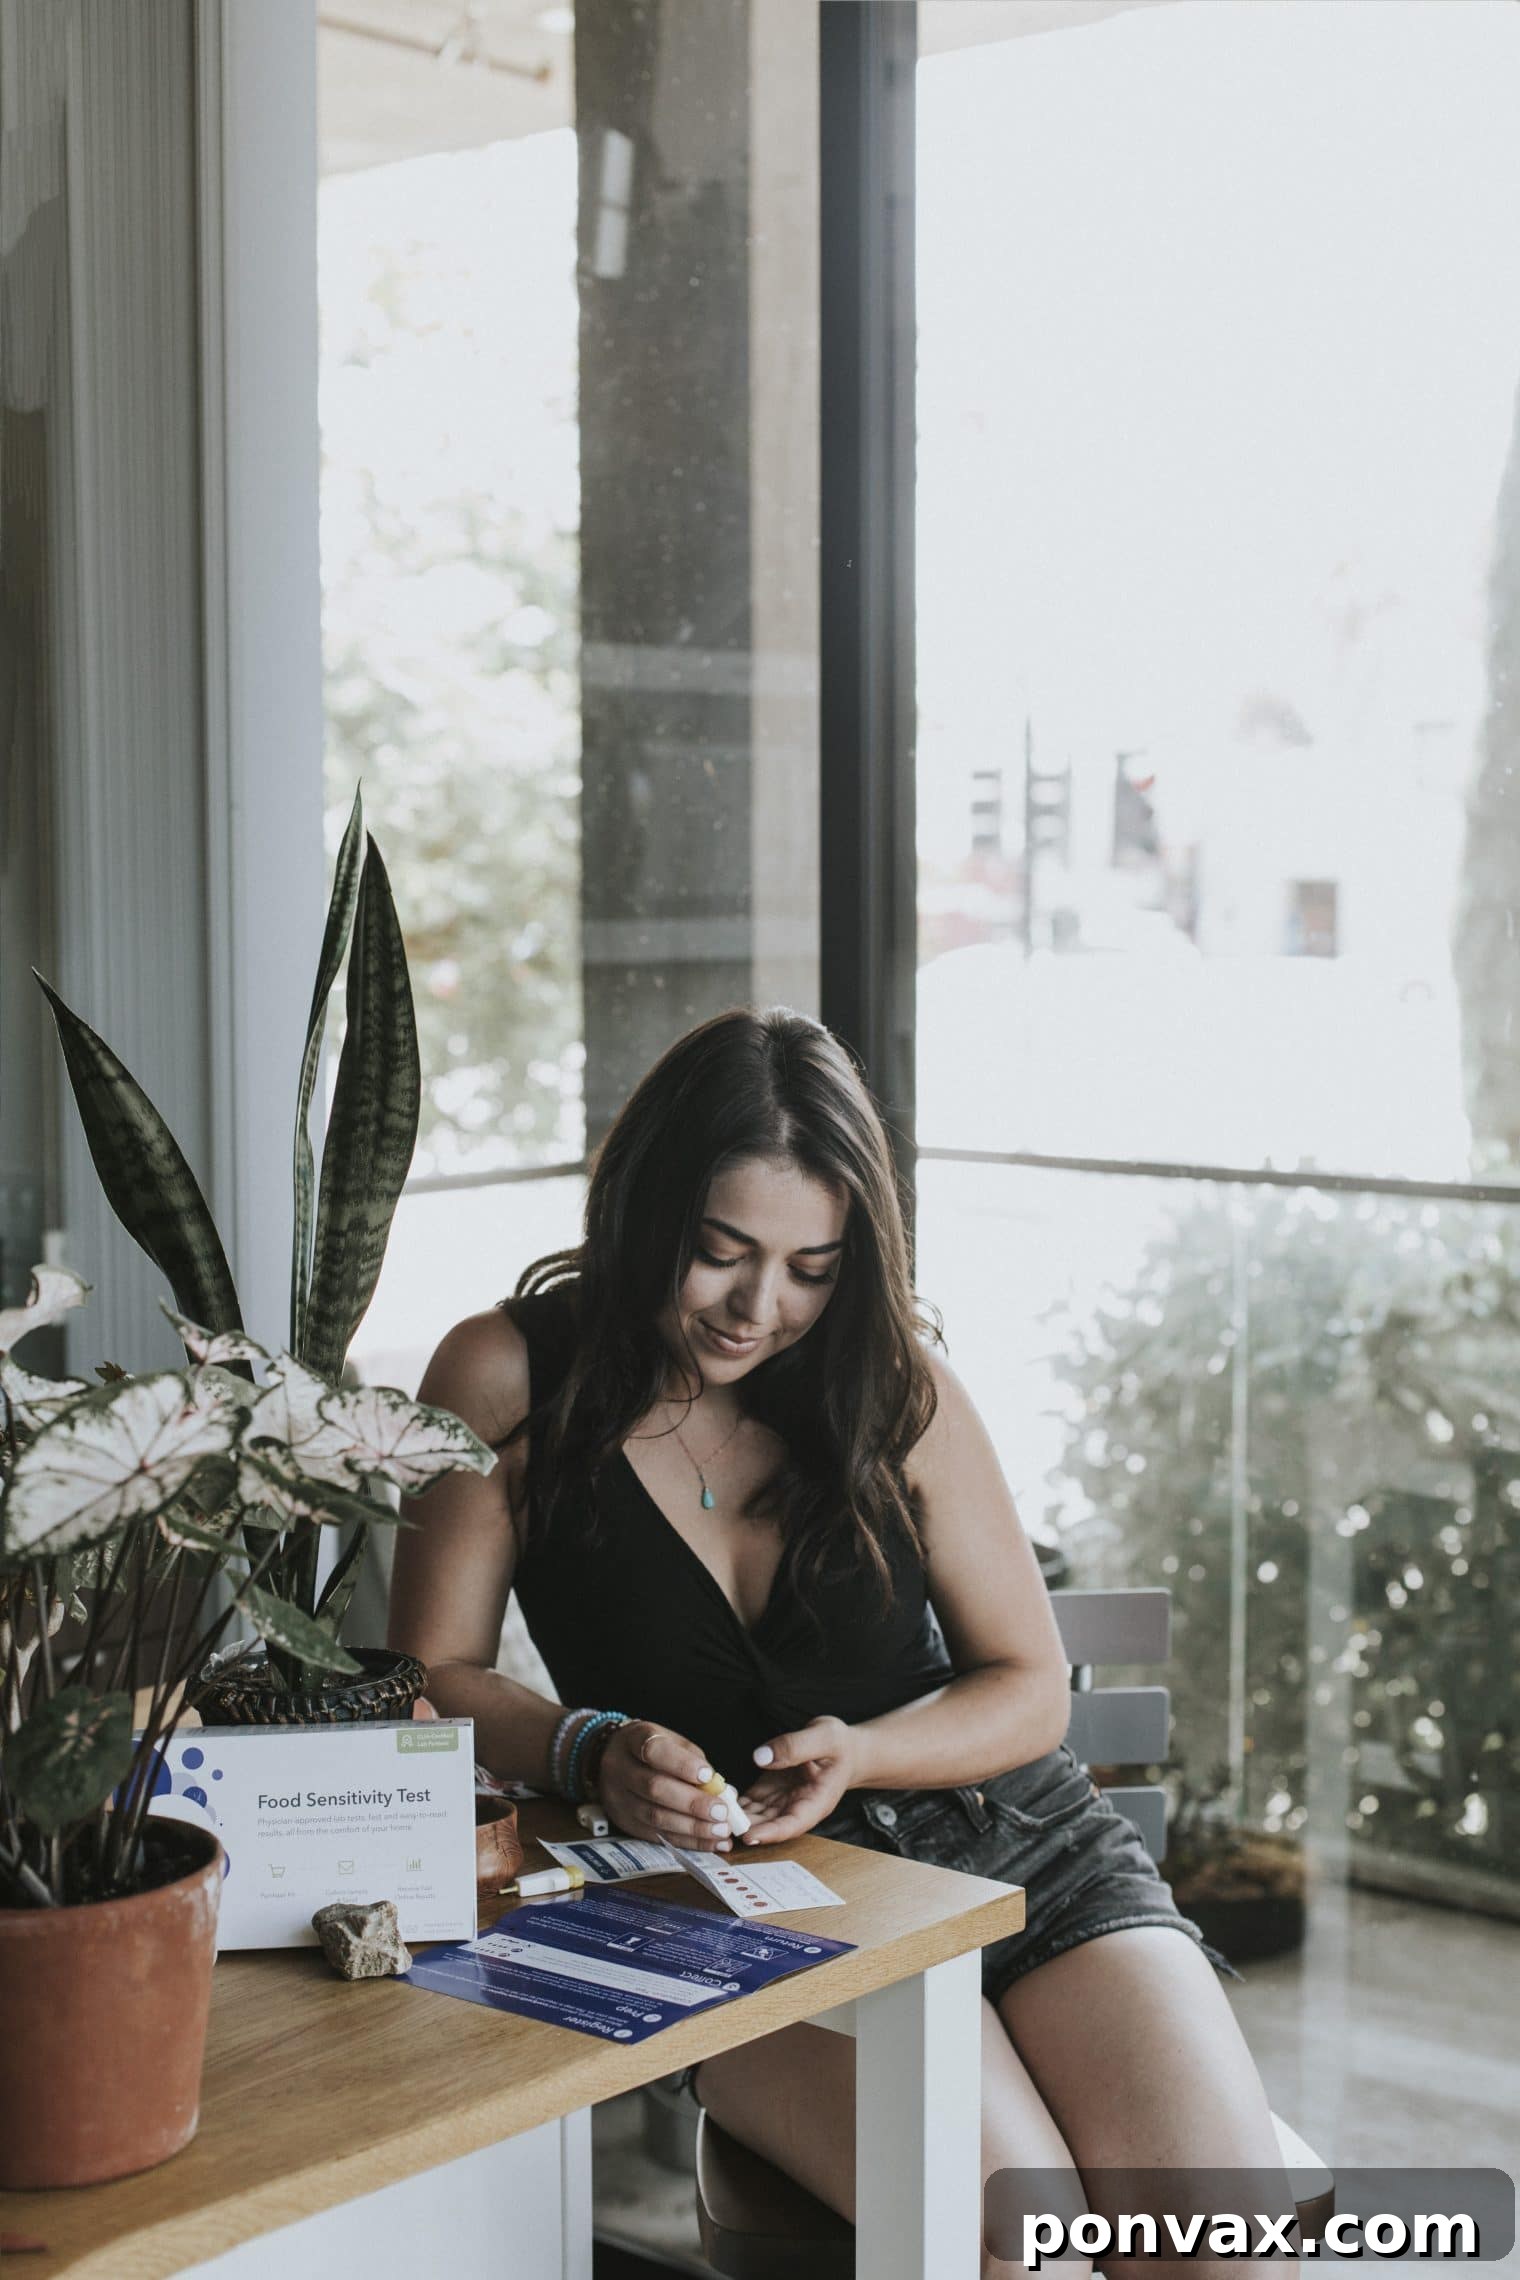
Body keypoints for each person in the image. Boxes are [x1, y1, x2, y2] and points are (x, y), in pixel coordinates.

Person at [389, 1007, 1289, 2279]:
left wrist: (860, 1750)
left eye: (811, 1268)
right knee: (1022, 2252)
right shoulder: (507, 1373)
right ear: (648, 1208)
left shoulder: (889, 1380)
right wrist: (585, 1746)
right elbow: (427, 1676)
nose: (761, 1307)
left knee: (1224, 2253)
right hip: (727, 1911)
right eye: (720, 1254)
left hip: (1015, 1847)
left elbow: (1029, 1687)